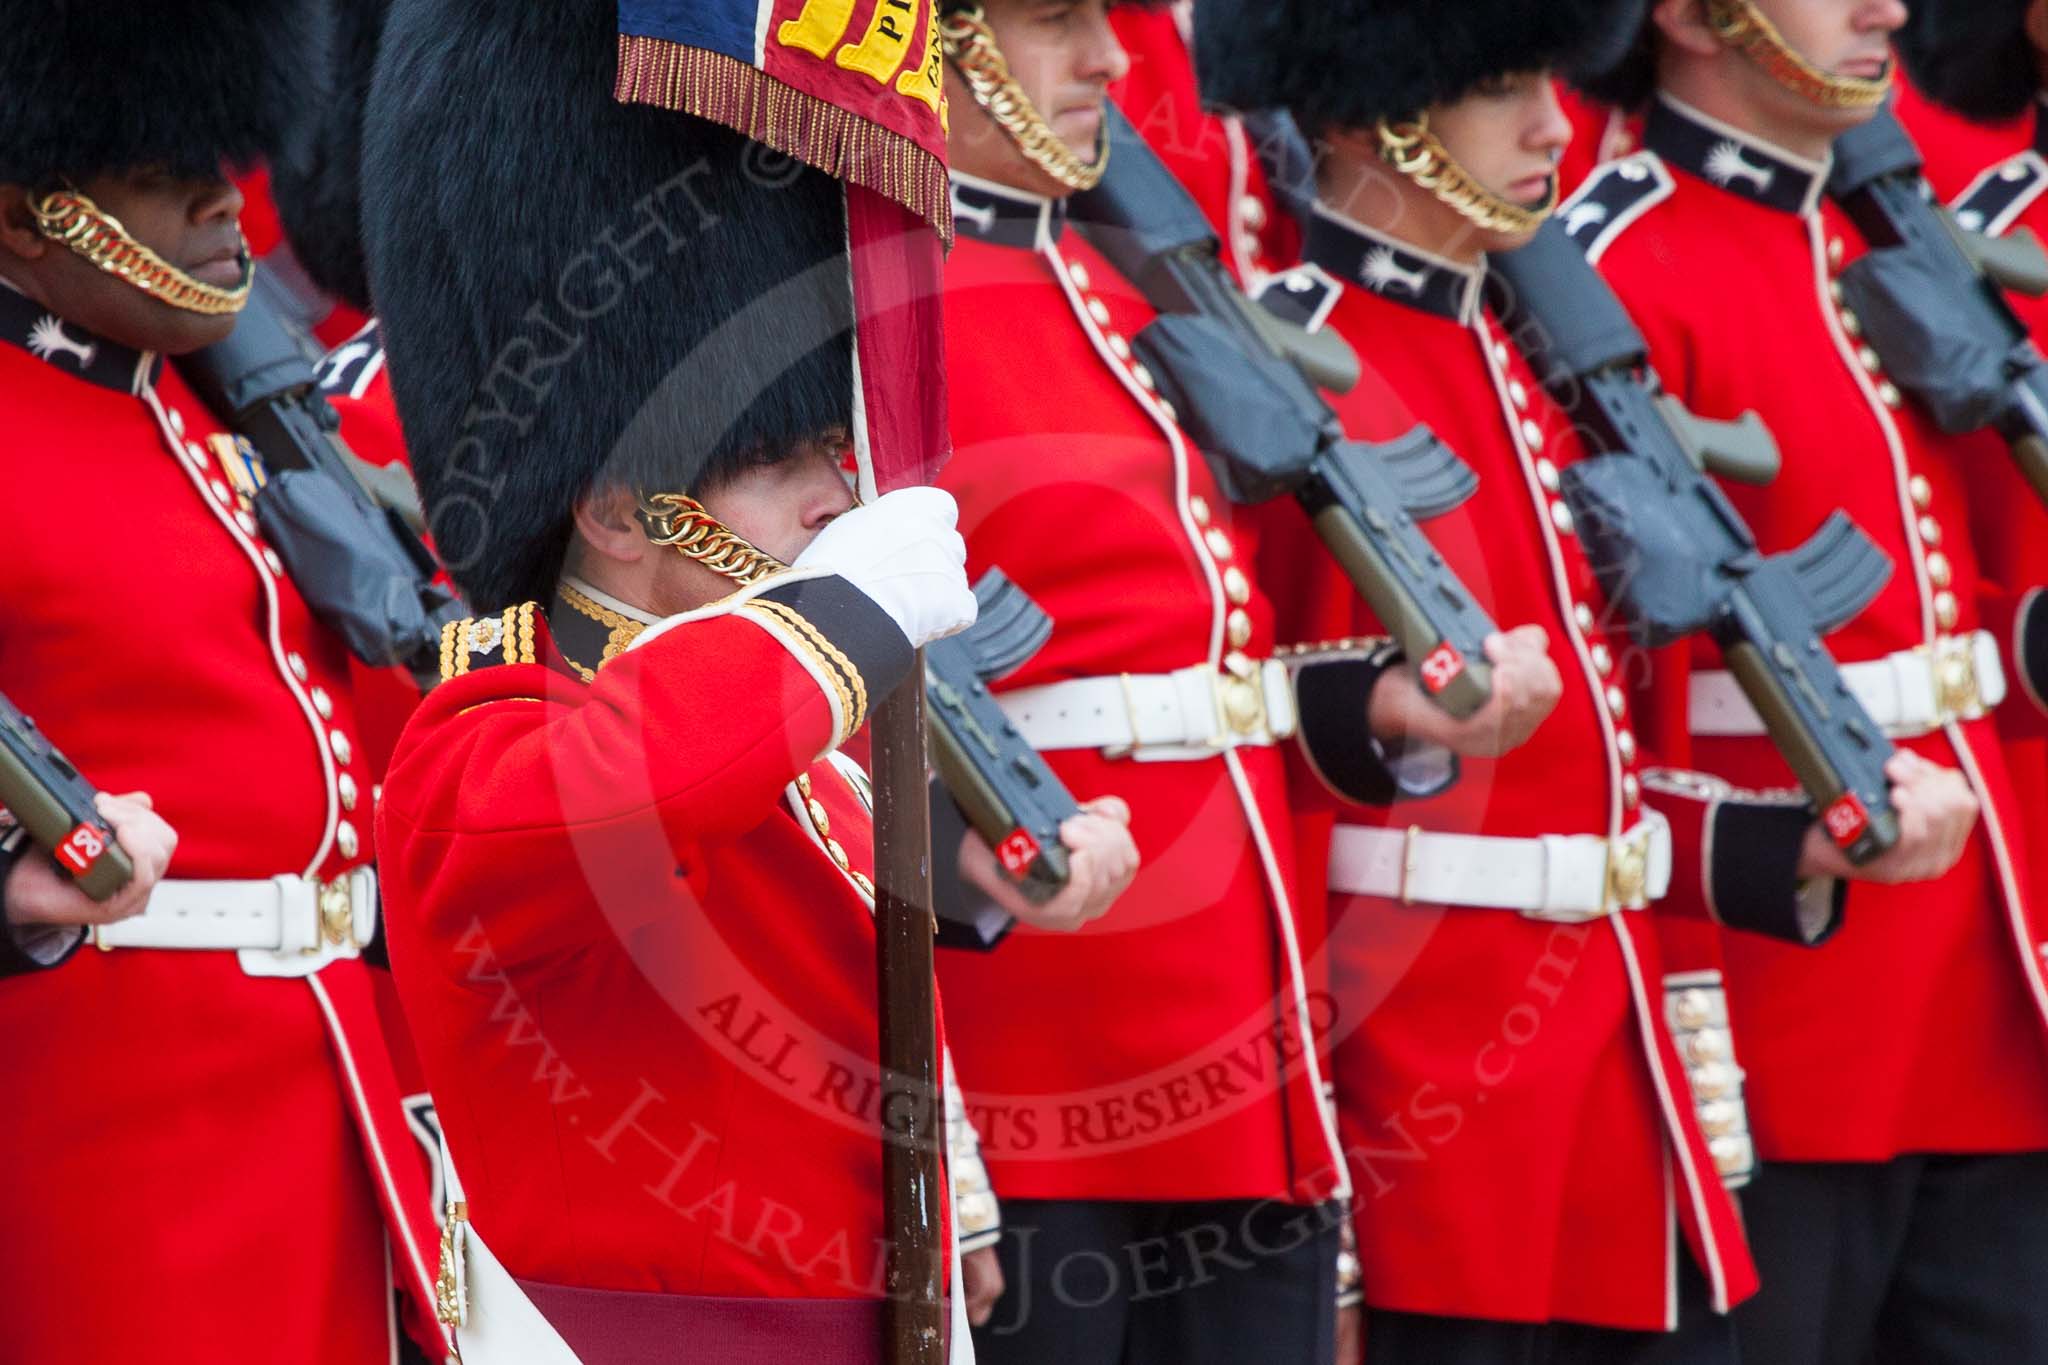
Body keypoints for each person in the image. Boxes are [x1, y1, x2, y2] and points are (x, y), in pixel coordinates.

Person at [361, 0, 1136, 1357]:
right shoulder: (480, 743)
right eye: (783, 466)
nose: (838, 496)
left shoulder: (789, 748)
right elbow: (614, 796)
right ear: (616, 506)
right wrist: (844, 612)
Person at [1210, 1, 1971, 1359]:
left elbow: (1613, 766)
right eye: (1501, 87)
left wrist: (1782, 839)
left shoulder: (1537, 368)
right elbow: (1248, 780)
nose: (1553, 126)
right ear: (1366, 109)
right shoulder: (1274, 365)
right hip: (1421, 1102)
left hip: (1615, 1082)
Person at [930, 3, 1407, 1361]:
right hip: (1032, 1039)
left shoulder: (1106, 286)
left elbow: (1199, 678)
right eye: (1054, 22)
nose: (1112, 59)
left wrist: (1375, 709)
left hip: (1231, 1030)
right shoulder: (867, 311)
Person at [1575, 3, 2048, 1361]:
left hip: (1982, 986)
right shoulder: (1610, 270)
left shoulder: (1885, 239)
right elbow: (1622, 698)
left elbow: (1957, 606)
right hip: (1786, 1008)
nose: (1887, 7)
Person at [0, 2, 445, 1360]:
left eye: (222, 155)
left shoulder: (226, 413)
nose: (218, 196)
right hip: (118, 1132)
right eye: (157, 168)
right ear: (26, 216)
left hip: (343, 1098)